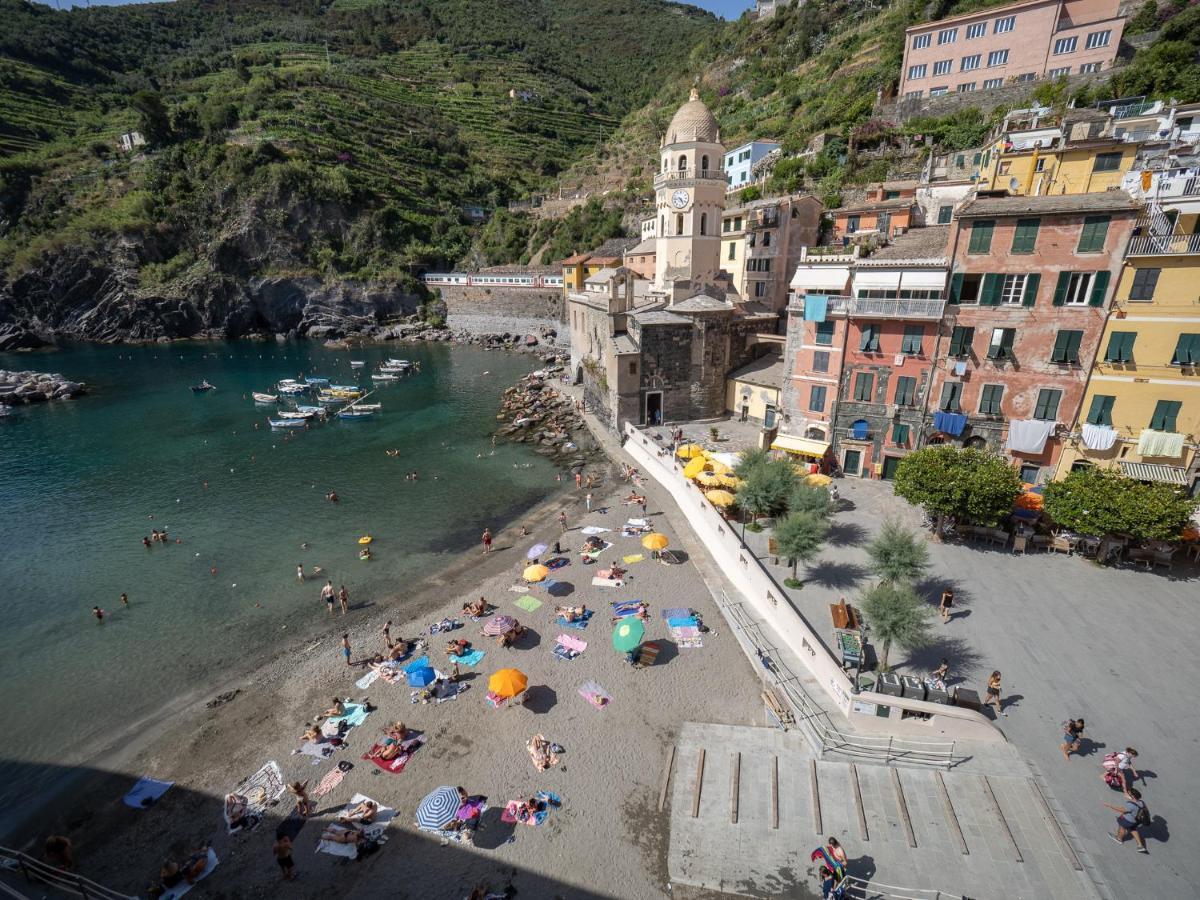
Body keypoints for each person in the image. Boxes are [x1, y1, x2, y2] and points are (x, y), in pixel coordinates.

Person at [1104, 787, 1149, 852]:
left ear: (1132, 796)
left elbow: (1122, 810)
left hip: (1128, 820)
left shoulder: (1130, 804)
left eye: (1128, 793)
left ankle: (1119, 838)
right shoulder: (1141, 802)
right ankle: (1140, 846)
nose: (1126, 794)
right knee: (1133, 830)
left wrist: (1110, 806)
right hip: (1136, 821)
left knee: (1122, 827)